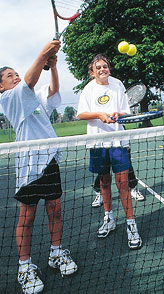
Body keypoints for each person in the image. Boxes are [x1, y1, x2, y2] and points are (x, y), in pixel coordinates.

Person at [0, 40, 77, 294]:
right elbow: (29, 81)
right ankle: (24, 266)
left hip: (49, 161)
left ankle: (56, 253)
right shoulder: (10, 98)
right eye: (9, 76)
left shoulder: (32, 94)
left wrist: (52, 65)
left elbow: (53, 92)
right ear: (1, 86)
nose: (16, 77)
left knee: (55, 209)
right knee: (27, 217)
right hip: (29, 165)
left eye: (16, 74)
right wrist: (43, 53)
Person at [77, 54, 142, 249]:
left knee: (123, 183)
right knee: (104, 182)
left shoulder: (117, 84)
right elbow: (81, 114)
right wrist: (99, 115)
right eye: (98, 67)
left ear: (109, 69)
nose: (102, 69)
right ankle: (109, 218)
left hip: (117, 142)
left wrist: (117, 114)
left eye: (105, 66)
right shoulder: (87, 89)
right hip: (97, 143)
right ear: (92, 71)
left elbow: (126, 112)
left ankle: (131, 225)